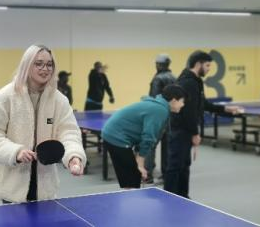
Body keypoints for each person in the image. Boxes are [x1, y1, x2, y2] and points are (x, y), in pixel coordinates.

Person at [0, 44, 86, 203]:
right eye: (38, 63)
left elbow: (68, 132)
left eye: (49, 64)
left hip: (45, 185)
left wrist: (73, 156)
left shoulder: (59, 100)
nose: (45, 68)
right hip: (12, 185)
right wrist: (15, 151)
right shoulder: (5, 97)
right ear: (27, 66)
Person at [165, 51, 240, 198]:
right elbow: (188, 111)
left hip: (185, 130)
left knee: (184, 165)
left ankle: (182, 196)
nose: (209, 69)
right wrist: (195, 133)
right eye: (207, 65)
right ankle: (169, 197)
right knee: (175, 166)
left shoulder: (195, 81)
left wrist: (225, 109)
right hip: (180, 130)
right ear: (198, 64)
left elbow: (202, 104)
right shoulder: (188, 82)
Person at [102, 85, 186, 189]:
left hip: (112, 133)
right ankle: (130, 201)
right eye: (182, 101)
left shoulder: (158, 105)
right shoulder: (160, 110)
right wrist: (140, 164)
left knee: (132, 177)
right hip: (117, 137)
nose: (183, 105)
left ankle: (129, 195)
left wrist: (138, 160)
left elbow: (142, 135)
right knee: (132, 180)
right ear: (174, 100)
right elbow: (148, 137)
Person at [145, 54, 176, 183]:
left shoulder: (158, 78)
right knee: (167, 146)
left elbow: (154, 99)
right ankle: (166, 174)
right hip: (171, 116)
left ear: (159, 65)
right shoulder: (174, 77)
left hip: (158, 117)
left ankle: (148, 175)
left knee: (150, 145)